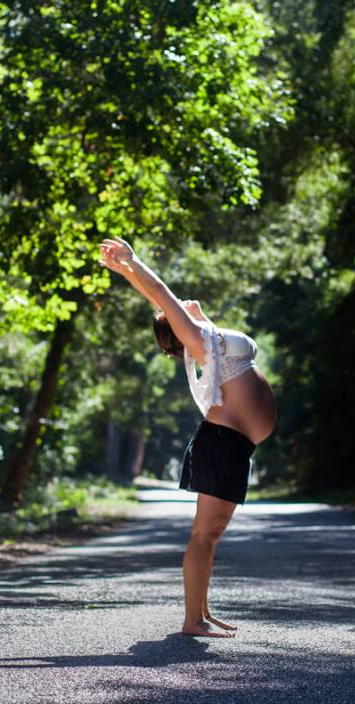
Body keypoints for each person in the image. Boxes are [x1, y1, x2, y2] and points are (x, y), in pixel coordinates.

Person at [98, 237, 276, 638]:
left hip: (233, 445)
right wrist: (134, 261)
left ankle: (202, 611)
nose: (181, 305)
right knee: (204, 533)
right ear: (179, 329)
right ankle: (191, 620)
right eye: (174, 314)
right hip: (222, 444)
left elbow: (157, 297)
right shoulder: (199, 340)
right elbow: (160, 294)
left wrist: (126, 272)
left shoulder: (209, 336)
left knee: (211, 535)